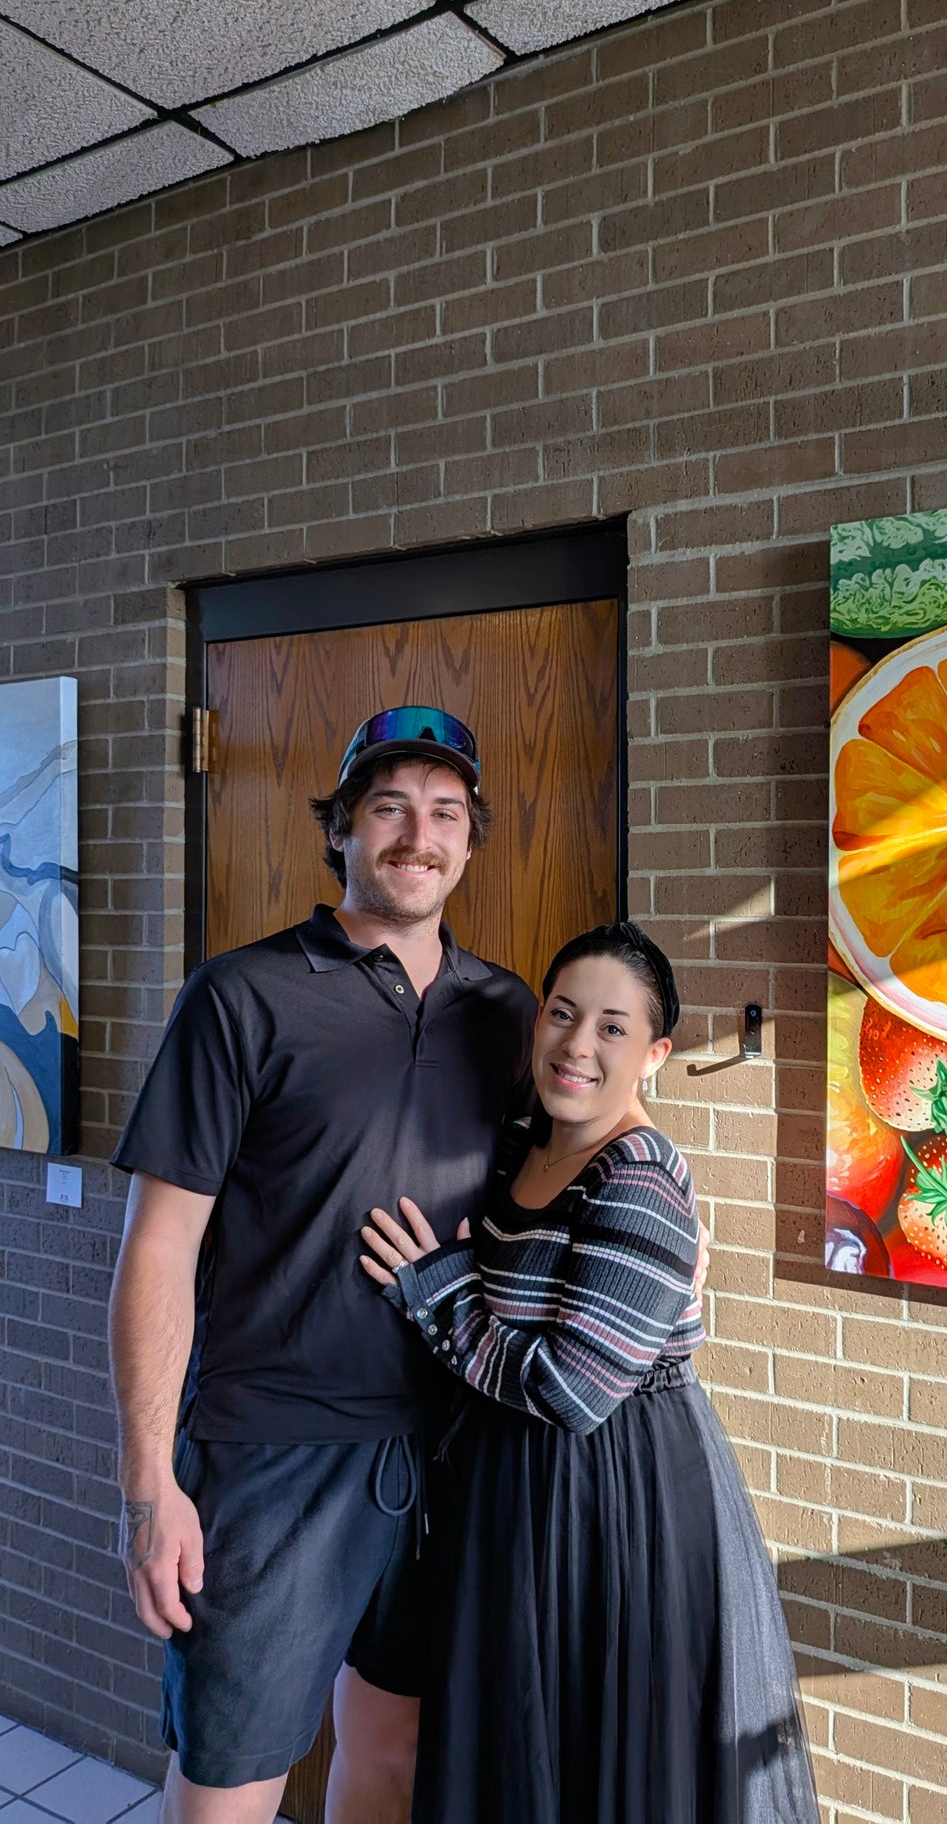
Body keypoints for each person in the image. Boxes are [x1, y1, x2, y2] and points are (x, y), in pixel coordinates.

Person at [108, 707, 535, 1824]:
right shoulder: (241, 996)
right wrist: (151, 1486)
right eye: (387, 805)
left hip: (448, 1444)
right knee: (230, 1781)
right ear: (341, 828)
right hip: (269, 1451)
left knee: (393, 1748)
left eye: (445, 811)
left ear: (470, 839)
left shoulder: (505, 1011)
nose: (416, 833)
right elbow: (158, 1246)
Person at [360, 921, 819, 1824]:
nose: (578, 1044)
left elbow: (573, 1390)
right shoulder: (526, 1144)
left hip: (613, 1500)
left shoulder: (639, 1177)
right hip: (514, 1491)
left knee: (591, 1755)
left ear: (655, 1053)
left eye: (613, 1027)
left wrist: (439, 1292)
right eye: (563, 1014)